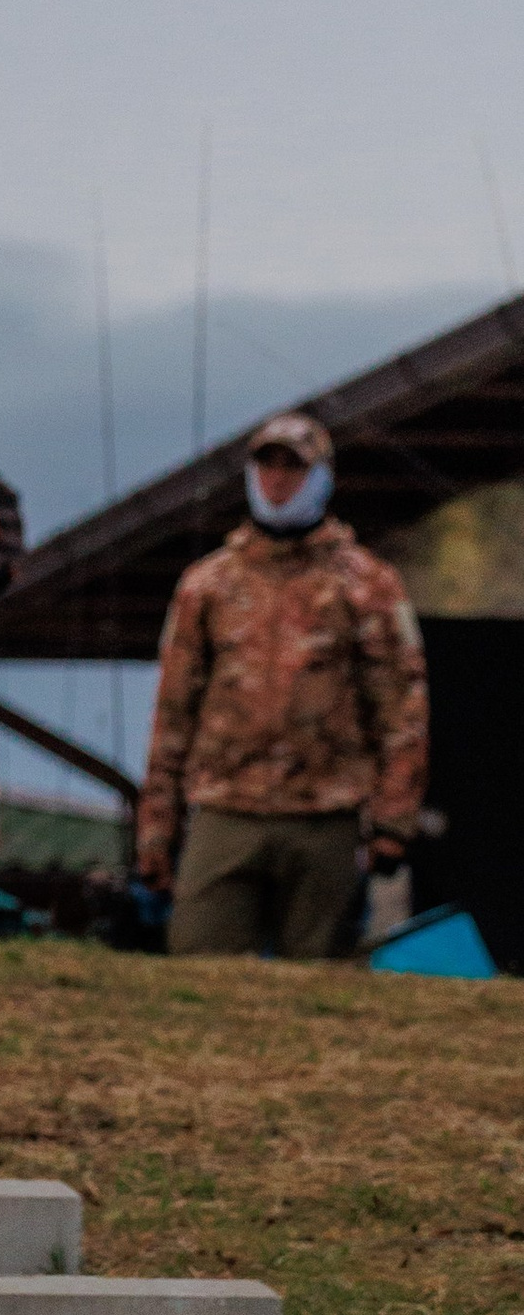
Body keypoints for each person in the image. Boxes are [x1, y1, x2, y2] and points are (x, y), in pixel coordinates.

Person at [136, 410, 428, 960]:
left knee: (318, 987)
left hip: (326, 816)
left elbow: (401, 708)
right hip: (226, 808)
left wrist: (393, 821)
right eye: (266, 468)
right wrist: (156, 829)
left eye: (293, 469)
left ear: (322, 478)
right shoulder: (209, 584)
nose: (276, 482)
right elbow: (173, 712)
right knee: (199, 972)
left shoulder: (367, 584)